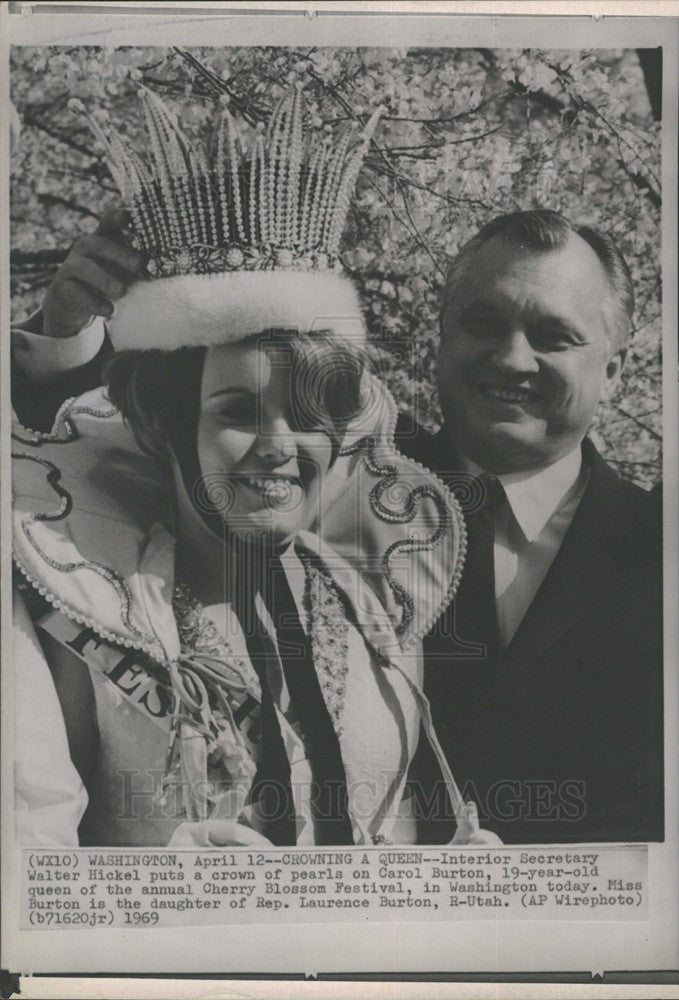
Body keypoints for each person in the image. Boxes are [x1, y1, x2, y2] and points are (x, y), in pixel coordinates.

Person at [12, 86, 480, 848]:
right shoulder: (91, 619)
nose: (279, 445)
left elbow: (395, 827)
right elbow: (33, 857)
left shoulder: (374, 608)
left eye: (308, 414)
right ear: (170, 426)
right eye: (235, 411)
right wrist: (167, 887)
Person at [399, 210, 663, 844]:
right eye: (483, 324)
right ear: (440, 339)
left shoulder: (660, 550)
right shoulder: (344, 501)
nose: (512, 358)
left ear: (616, 369)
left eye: (553, 335)